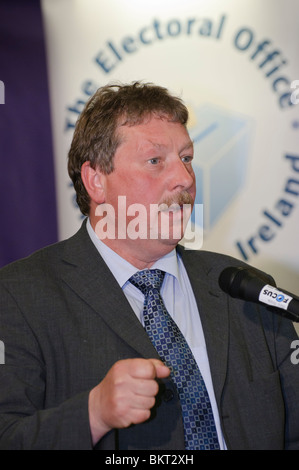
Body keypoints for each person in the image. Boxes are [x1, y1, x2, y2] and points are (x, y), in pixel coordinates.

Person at [0, 81, 299, 450]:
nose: (185, 179)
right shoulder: (17, 296)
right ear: (96, 180)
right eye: (156, 161)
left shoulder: (246, 290)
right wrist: (93, 415)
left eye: (187, 158)